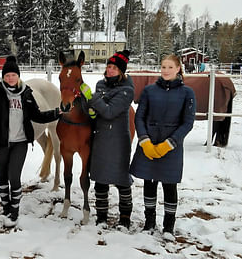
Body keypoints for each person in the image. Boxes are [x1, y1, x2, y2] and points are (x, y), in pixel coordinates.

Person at [0, 56, 61, 227]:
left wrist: (56, 112)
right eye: (7, 75)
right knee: (2, 176)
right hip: (2, 142)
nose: (10, 78)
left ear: (18, 76)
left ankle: (14, 211)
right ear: (3, 77)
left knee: (14, 176)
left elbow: (37, 115)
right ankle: (5, 207)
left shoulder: (26, 94)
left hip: (20, 142)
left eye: (13, 75)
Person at [129, 54, 196, 236]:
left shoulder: (187, 93)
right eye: (163, 67)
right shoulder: (149, 91)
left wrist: (170, 143)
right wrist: (144, 140)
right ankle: (149, 222)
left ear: (178, 69)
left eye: (169, 67)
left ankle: (168, 226)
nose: (165, 70)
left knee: (169, 185)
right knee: (149, 183)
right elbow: (140, 116)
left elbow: (187, 122)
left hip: (171, 146)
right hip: (149, 142)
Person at [79, 50, 134, 229]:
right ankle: (101, 216)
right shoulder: (100, 85)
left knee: (122, 181)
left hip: (118, 141)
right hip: (101, 139)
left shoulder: (127, 90)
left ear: (121, 71)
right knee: (100, 180)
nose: (110, 70)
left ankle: (125, 218)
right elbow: (98, 111)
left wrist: (93, 99)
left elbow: (110, 112)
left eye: (114, 68)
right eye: (109, 67)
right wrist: (91, 110)